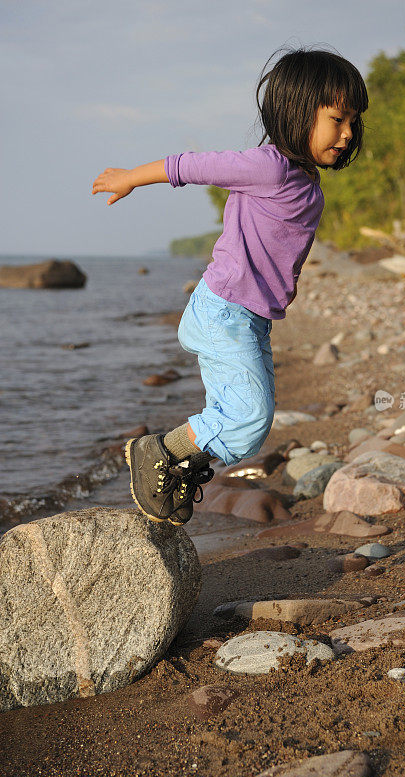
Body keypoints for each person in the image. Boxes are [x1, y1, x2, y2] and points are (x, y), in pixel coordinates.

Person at [91, 45, 368, 526]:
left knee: (246, 433)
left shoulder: (305, 181)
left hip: (250, 318)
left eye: (353, 122)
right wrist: (132, 178)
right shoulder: (269, 167)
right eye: (337, 119)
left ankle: (174, 466)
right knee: (248, 415)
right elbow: (194, 166)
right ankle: (157, 452)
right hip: (225, 310)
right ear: (297, 111)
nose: (347, 133)